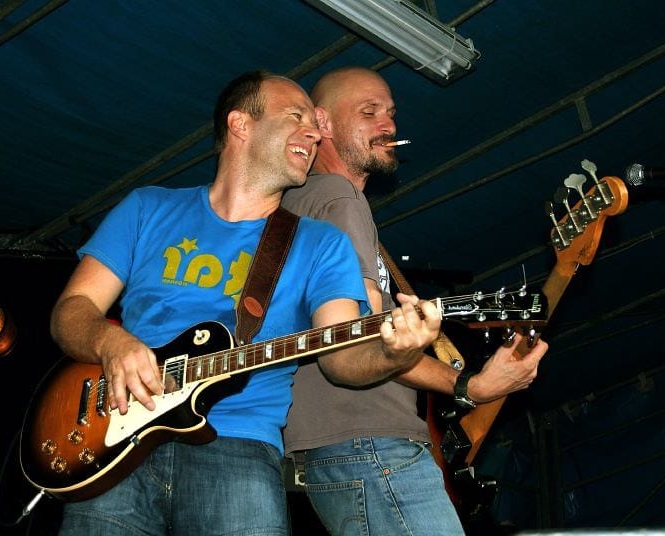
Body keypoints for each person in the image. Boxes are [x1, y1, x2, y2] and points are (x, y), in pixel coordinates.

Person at [48, 69, 442, 535]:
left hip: (239, 446)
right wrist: (111, 344)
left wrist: (395, 352)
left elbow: (343, 361)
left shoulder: (321, 243)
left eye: (314, 124)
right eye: (296, 117)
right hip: (113, 438)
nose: (315, 133)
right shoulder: (147, 208)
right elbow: (72, 310)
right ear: (240, 124)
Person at [281, 66, 550, 535]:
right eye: (369, 113)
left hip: (336, 442)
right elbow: (364, 337)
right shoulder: (338, 197)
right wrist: (469, 386)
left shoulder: (303, 203)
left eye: (390, 113)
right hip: (367, 438)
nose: (388, 125)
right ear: (322, 123)